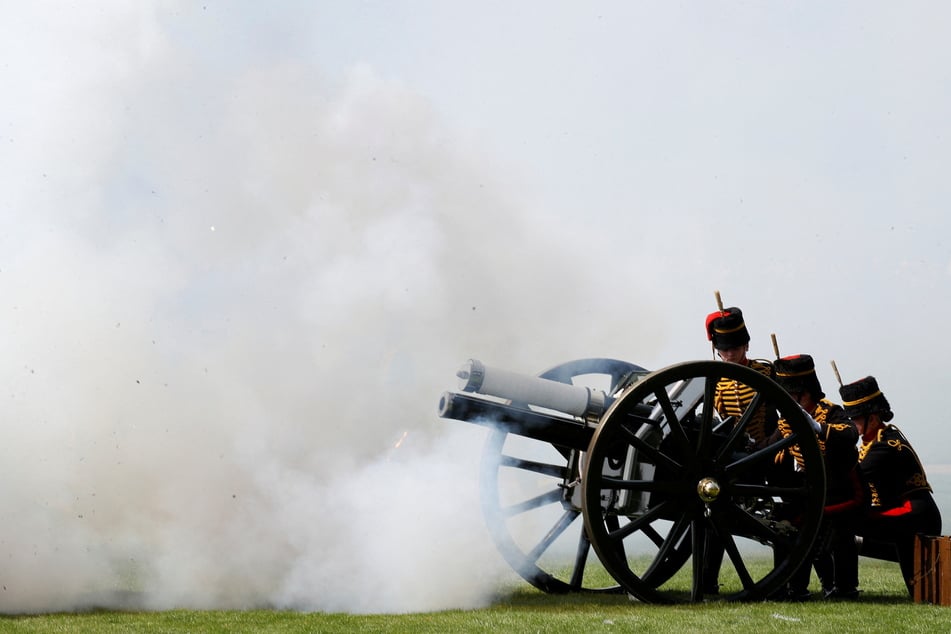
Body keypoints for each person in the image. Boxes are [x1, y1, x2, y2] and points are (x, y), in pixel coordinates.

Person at [770, 354, 865, 600]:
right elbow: (766, 448)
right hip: (811, 491)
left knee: (830, 532)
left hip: (840, 490)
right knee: (782, 522)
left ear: (805, 393)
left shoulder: (830, 412)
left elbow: (851, 434)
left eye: (791, 395)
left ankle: (844, 588)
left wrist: (818, 428)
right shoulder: (786, 422)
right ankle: (792, 587)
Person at [839, 375, 942, 597]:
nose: (852, 424)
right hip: (901, 515)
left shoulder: (885, 446)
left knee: (844, 521)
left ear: (873, 418)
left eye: (855, 418)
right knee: (923, 594)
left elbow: (852, 477)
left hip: (914, 517)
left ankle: (845, 587)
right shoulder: (875, 441)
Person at [701, 306, 775, 594]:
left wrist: (769, 442)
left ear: (746, 344)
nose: (729, 354)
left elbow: (793, 416)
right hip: (730, 458)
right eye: (724, 349)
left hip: (766, 453)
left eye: (734, 348)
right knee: (714, 514)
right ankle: (708, 580)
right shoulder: (715, 379)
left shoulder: (766, 372)